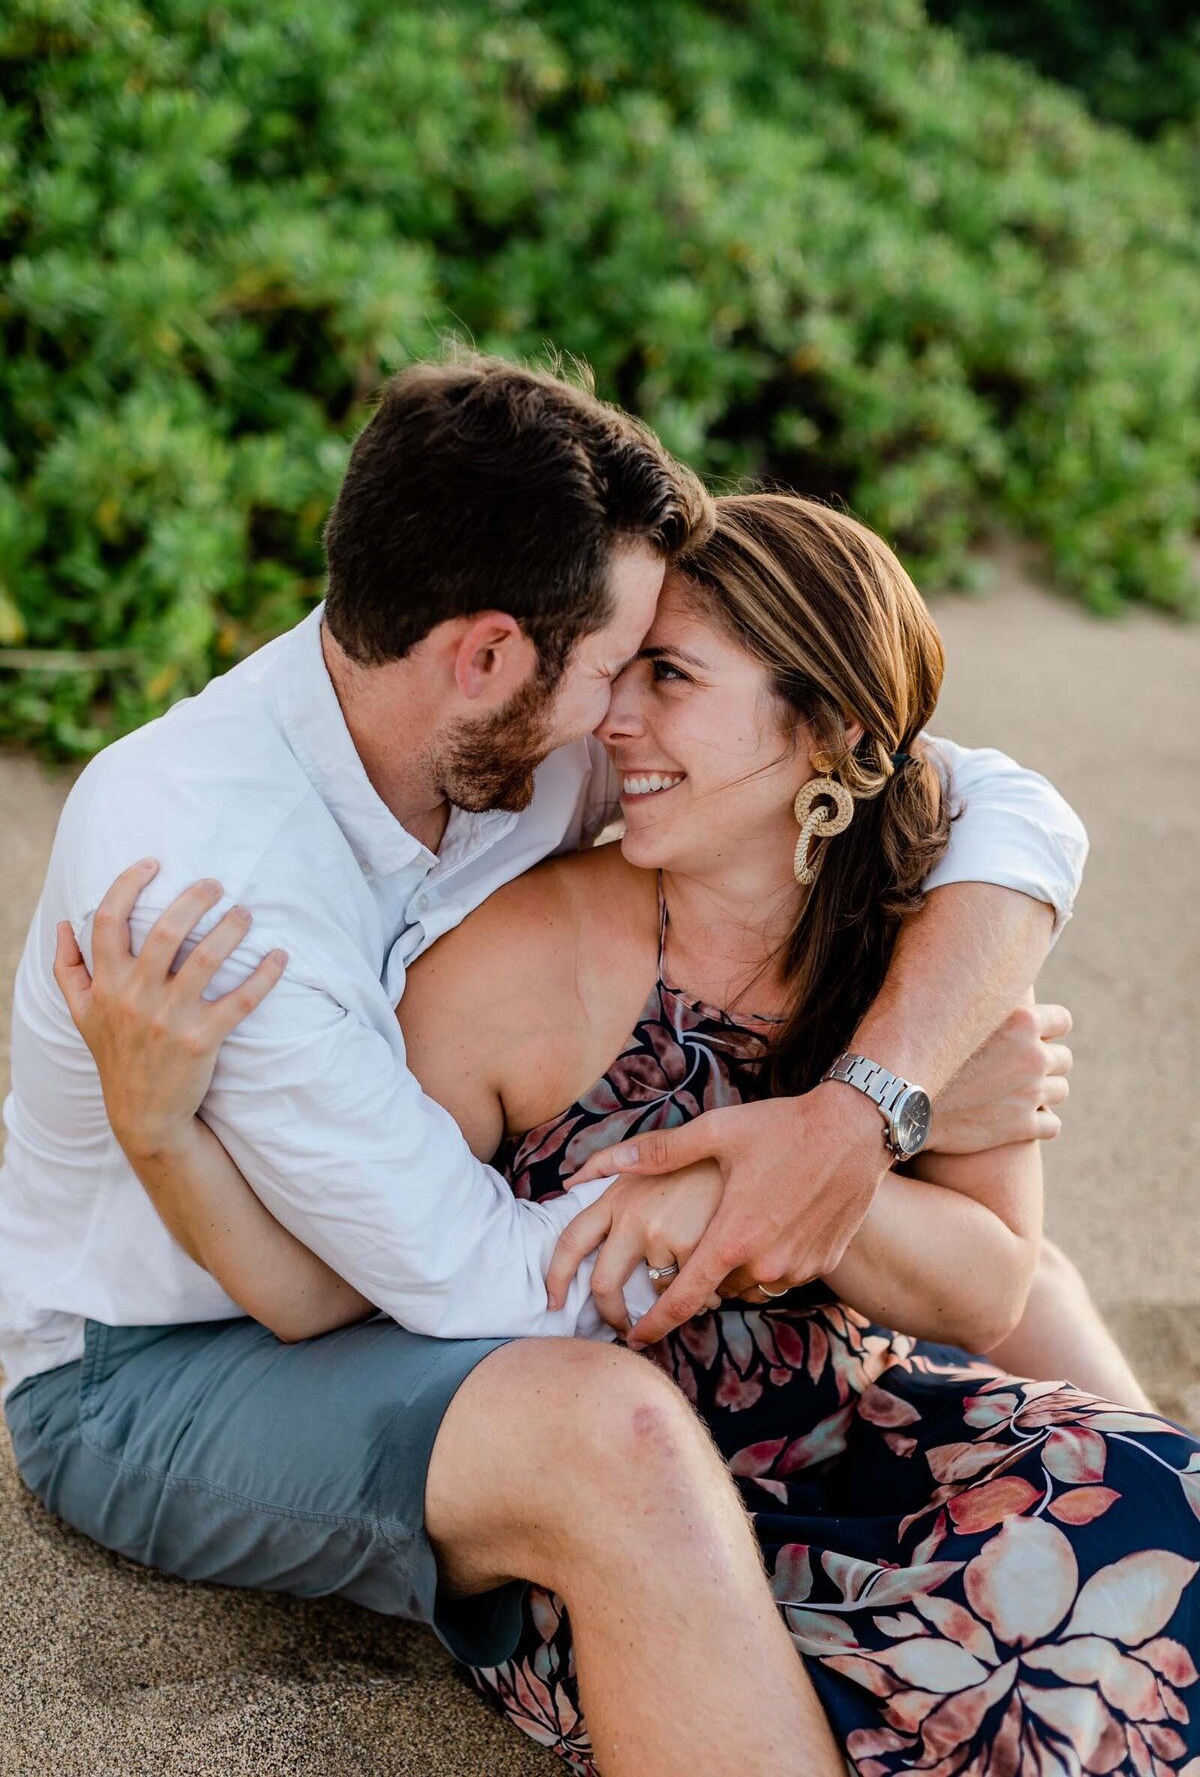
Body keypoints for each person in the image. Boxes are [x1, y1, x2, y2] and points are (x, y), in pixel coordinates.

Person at [1, 356, 1115, 1776]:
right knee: (616, 1439)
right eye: (616, 668)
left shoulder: (508, 728)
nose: (623, 720)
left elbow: (984, 799)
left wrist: (867, 1102)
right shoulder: (202, 878)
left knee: (1020, 1293)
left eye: (662, 670)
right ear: (485, 654)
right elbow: (473, 1282)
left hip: (393, 1266)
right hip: (158, 1367)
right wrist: (774, 1167)